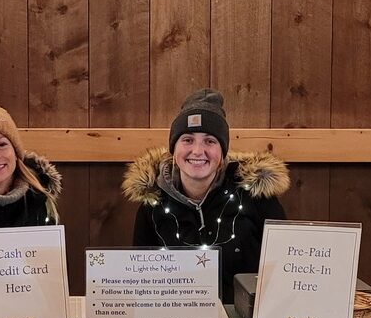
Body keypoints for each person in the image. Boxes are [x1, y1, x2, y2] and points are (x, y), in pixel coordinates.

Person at [123, 88, 289, 302]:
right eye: (188, 140)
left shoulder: (256, 197)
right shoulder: (152, 204)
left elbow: (283, 269)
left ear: (222, 152)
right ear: (174, 149)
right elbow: (141, 279)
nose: (198, 151)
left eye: (210, 141)